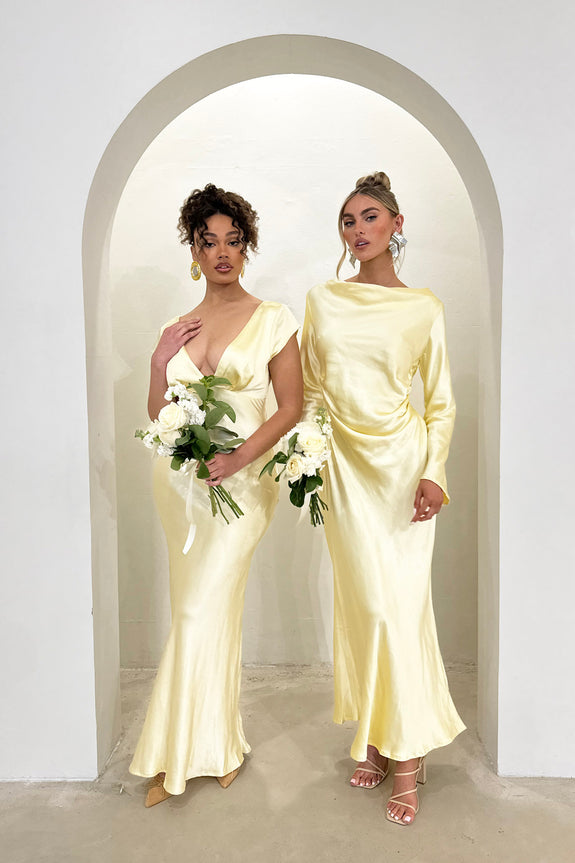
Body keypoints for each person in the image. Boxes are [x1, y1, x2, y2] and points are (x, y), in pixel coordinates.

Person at [129, 184, 303, 806]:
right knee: (196, 611)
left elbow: (290, 407)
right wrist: (159, 363)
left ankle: (179, 756)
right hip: (181, 488)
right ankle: (213, 745)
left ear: (246, 247)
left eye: (234, 240)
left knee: (203, 609)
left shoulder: (275, 318)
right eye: (209, 242)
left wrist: (238, 459)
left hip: (244, 485)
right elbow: (160, 418)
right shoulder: (176, 327)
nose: (222, 252)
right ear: (194, 252)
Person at [300, 172, 465, 826]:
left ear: (397, 224)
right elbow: (313, 388)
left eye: (370, 216)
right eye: (348, 220)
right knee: (364, 607)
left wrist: (435, 472)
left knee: (398, 609)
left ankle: (406, 758)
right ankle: (373, 731)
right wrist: (307, 456)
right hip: (342, 470)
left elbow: (440, 402)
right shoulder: (323, 299)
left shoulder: (423, 307)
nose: (358, 229)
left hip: (400, 471)